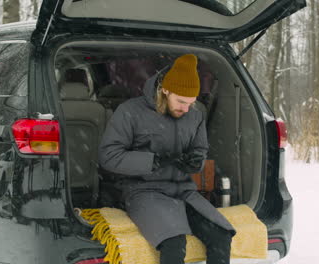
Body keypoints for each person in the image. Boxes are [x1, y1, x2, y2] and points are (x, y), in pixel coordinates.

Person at [98, 54, 235, 264]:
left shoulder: (195, 115)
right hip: (144, 191)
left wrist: (195, 161)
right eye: (181, 101)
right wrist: (152, 161)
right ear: (165, 90)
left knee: (221, 235)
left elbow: (200, 149)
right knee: (174, 243)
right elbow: (108, 156)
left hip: (184, 191)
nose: (186, 108)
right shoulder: (130, 112)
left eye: (191, 102)